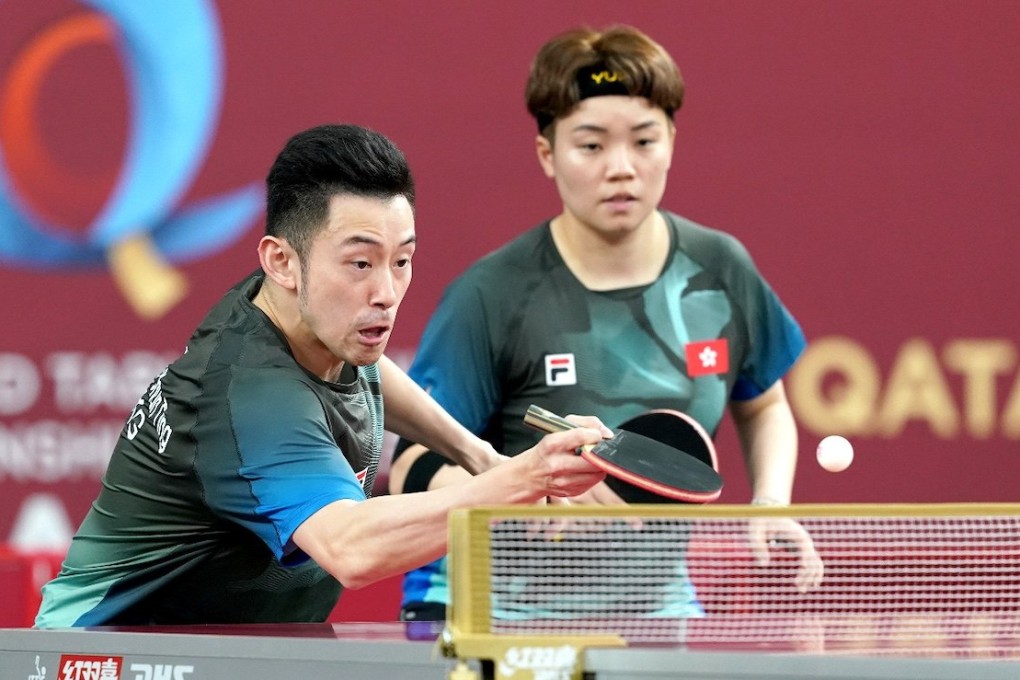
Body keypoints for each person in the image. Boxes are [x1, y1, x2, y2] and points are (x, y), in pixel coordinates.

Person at [34, 123, 612, 628]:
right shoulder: (251, 398)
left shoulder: (297, 310)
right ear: (281, 261)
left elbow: (372, 370)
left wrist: (481, 456)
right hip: (110, 656)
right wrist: (523, 480)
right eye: (360, 263)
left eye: (402, 260)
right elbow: (351, 548)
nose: (385, 294)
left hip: (221, 650)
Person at [388, 25, 822, 623]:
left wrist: (772, 504)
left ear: (672, 139)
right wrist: (521, 494)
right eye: (591, 146)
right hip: (494, 609)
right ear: (548, 154)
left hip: (656, 606)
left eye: (644, 141)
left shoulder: (719, 270)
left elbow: (764, 404)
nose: (621, 168)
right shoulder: (492, 294)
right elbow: (412, 463)